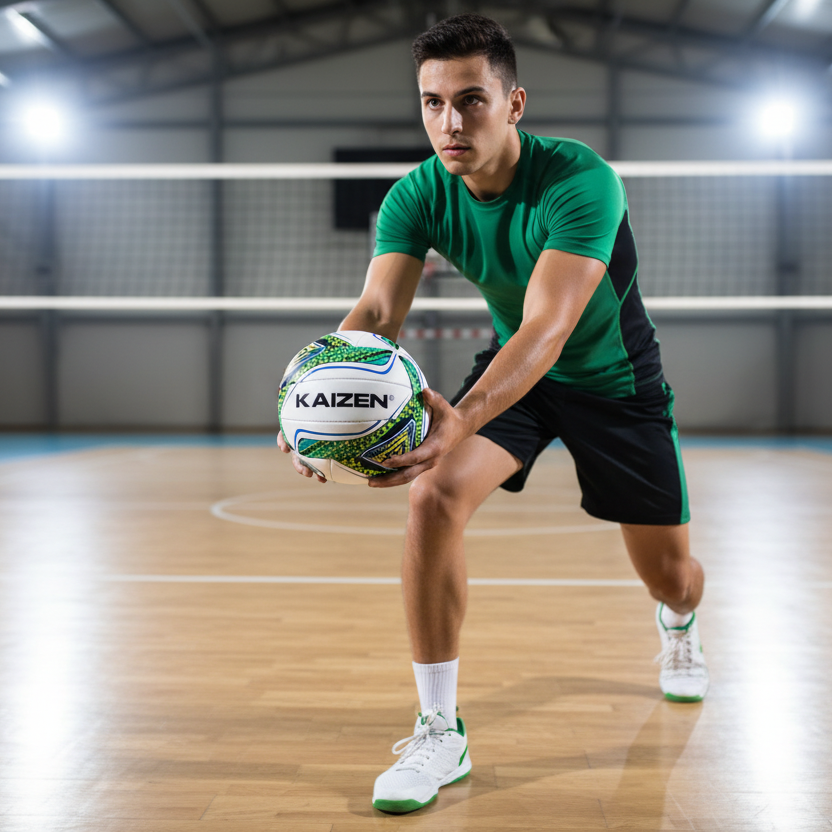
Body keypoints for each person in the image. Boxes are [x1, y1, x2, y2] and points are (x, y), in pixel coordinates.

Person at [277, 12, 709, 815]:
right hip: (516, 374)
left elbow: (549, 330)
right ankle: (440, 728)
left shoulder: (581, 180)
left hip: (613, 382)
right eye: (432, 102)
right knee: (432, 494)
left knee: (672, 575)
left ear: (513, 103)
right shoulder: (417, 194)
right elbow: (375, 311)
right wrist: (315, 400)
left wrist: (458, 418)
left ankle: (679, 625)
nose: (449, 121)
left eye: (470, 100)